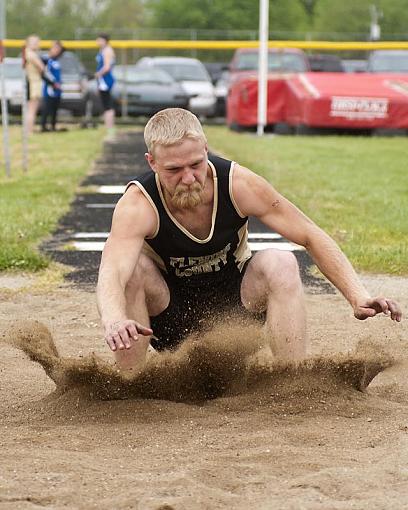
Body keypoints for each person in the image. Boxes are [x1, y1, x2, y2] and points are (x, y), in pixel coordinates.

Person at [96, 108, 402, 372]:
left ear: (206, 149)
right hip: (168, 319)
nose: (188, 178)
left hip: (236, 313)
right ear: (152, 163)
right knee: (134, 269)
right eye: (174, 170)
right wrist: (114, 319)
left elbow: (309, 234)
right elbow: (112, 270)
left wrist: (358, 295)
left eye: (196, 165)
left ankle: (292, 379)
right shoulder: (139, 204)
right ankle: (129, 383)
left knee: (281, 262)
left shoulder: (238, 184)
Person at [40, 41, 65, 132]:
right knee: (47, 107)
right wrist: (53, 83)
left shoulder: (56, 60)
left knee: (55, 108)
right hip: (50, 88)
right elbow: (44, 74)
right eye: (55, 48)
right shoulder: (46, 59)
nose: (57, 50)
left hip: (57, 89)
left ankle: (53, 126)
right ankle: (43, 126)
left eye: (58, 49)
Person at [23, 35, 45, 134]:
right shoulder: (31, 54)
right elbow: (42, 67)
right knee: (32, 109)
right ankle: (29, 130)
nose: (37, 44)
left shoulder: (26, 53)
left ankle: (28, 129)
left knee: (30, 109)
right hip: (34, 83)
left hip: (30, 82)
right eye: (35, 42)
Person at [95, 33, 115, 138]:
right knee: (105, 104)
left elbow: (107, 67)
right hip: (102, 80)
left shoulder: (107, 50)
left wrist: (98, 74)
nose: (97, 42)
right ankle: (108, 127)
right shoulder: (103, 50)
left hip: (105, 80)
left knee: (108, 105)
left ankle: (110, 129)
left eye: (99, 40)